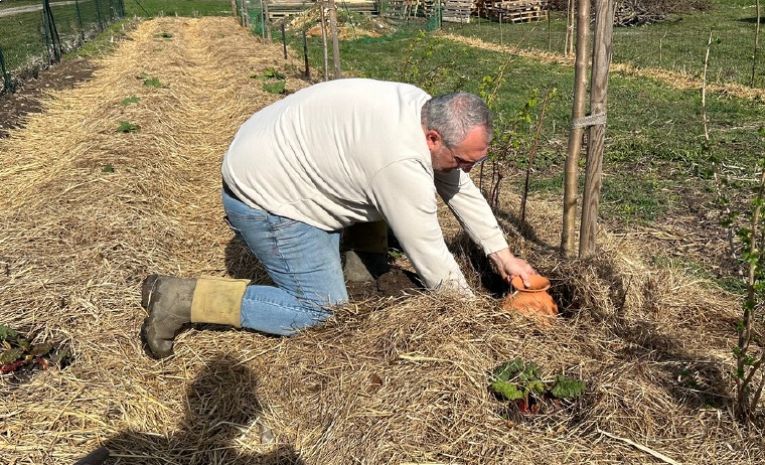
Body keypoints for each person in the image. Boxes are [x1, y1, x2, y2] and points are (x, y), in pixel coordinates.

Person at [140, 78, 537, 359]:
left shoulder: (422, 109)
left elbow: (456, 184)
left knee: (391, 193)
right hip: (267, 196)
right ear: (434, 137)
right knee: (318, 311)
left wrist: (503, 256)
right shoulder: (399, 161)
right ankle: (180, 298)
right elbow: (429, 251)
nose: (464, 170)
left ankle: (361, 266)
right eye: (463, 159)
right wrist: (471, 317)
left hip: (276, 151)